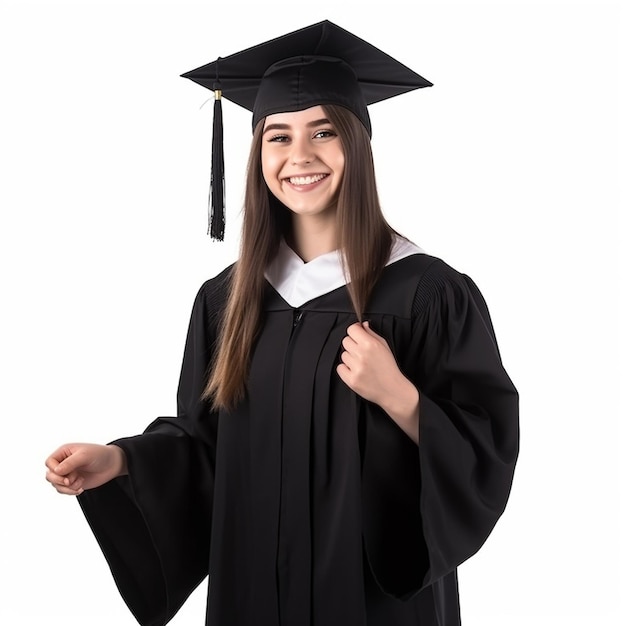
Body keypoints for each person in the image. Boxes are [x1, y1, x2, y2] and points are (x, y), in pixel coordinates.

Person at [45, 20, 519, 626]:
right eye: (278, 136)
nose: (300, 156)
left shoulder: (426, 292)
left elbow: (488, 446)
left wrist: (399, 397)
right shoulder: (226, 300)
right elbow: (207, 444)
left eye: (324, 131)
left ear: (357, 144)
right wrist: (123, 462)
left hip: (372, 605)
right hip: (253, 597)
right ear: (256, 153)